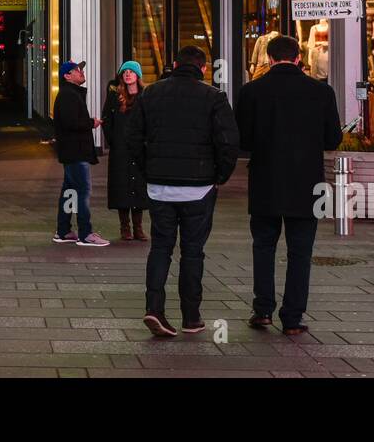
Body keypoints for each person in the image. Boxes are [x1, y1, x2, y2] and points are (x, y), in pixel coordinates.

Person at [126, 45, 239, 337]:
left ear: (174, 64)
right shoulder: (214, 97)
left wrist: (146, 170)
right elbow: (228, 141)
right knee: (192, 252)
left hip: (160, 187)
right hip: (199, 189)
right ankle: (191, 317)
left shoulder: (150, 94)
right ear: (203, 68)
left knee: (160, 247)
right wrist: (220, 177)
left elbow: (132, 137)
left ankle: (154, 309)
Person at [235, 35, 341, 336]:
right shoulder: (321, 92)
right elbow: (333, 139)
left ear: (269, 59)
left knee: (264, 246)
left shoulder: (252, 91)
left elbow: (242, 139)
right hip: (306, 182)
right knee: (300, 251)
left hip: (266, 180)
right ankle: (292, 317)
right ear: (298, 59)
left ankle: (263, 309)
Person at [52, 60, 110, 247]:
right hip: (76, 152)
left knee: (70, 191)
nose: (81, 72)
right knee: (83, 191)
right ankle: (85, 234)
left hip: (71, 152)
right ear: (67, 76)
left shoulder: (69, 94)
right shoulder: (69, 95)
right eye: (77, 70)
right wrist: (90, 122)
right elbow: (71, 123)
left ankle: (64, 230)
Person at [102, 60, 149, 241]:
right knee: (121, 186)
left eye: (131, 71)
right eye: (125, 72)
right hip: (120, 150)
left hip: (139, 150)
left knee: (138, 186)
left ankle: (138, 227)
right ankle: (125, 227)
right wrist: (114, 141)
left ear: (138, 75)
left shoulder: (145, 96)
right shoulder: (115, 96)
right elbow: (107, 120)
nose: (128, 74)